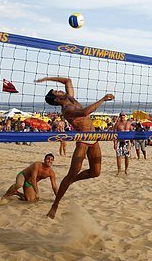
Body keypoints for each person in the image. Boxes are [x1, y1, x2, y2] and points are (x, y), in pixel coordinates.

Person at [35, 76, 115, 218]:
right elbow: (85, 112)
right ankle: (55, 205)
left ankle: (71, 180)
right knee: (71, 172)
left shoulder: (70, 98)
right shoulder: (67, 109)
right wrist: (103, 99)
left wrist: (47, 79)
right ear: (57, 100)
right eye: (56, 92)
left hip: (94, 138)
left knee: (96, 172)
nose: (60, 90)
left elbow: (67, 80)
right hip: (83, 140)